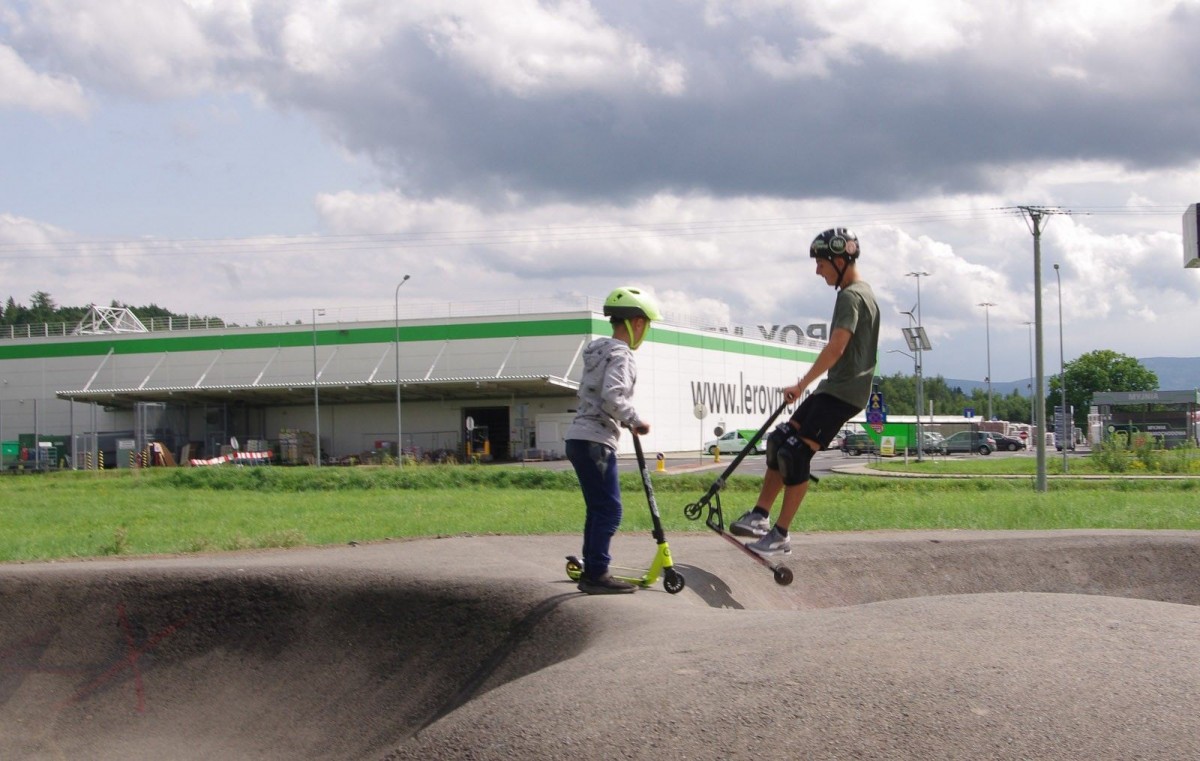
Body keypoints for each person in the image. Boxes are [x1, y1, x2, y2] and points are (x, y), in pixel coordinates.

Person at [730, 228, 880, 556]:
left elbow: (837, 347)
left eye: (822, 264)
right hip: (833, 389)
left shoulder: (851, 296)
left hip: (844, 393)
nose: (817, 271)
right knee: (779, 440)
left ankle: (780, 534)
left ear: (840, 260)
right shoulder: (861, 293)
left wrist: (801, 384)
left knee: (795, 454)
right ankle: (760, 516)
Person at [565, 286, 661, 594]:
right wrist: (635, 420)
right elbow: (612, 395)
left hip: (578, 437)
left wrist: (624, 420)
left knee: (598, 508)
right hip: (595, 440)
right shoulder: (622, 354)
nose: (644, 332)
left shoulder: (598, 351)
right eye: (645, 325)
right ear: (636, 324)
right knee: (610, 509)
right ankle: (597, 573)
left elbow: (599, 395)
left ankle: (593, 568)